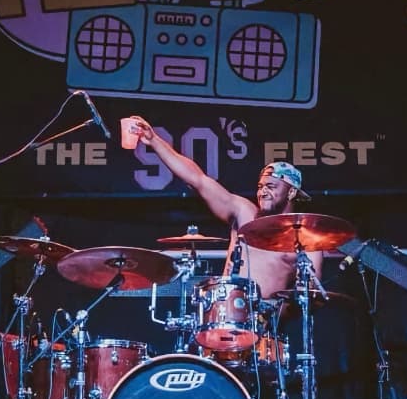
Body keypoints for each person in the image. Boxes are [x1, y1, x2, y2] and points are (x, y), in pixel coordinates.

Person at [127, 116, 321, 300]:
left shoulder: (305, 240)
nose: (262, 192)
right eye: (260, 187)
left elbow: (313, 296)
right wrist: (154, 141)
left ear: (292, 193)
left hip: (268, 324)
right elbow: (198, 180)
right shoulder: (244, 212)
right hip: (224, 315)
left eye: (271, 187)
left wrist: (282, 313)